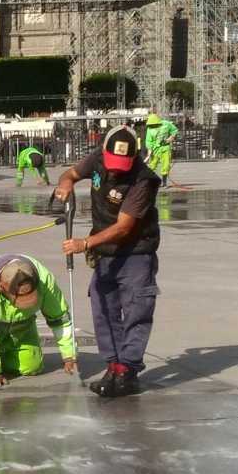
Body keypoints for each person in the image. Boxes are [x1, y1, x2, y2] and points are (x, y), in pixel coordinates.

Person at [55, 125, 161, 397]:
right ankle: (113, 365)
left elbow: (124, 227)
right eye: (112, 164)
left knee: (136, 311)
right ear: (104, 152)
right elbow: (71, 174)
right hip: (106, 253)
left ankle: (127, 371)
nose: (115, 171)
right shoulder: (97, 158)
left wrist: (85, 244)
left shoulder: (143, 180)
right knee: (103, 309)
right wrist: (65, 184)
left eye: (122, 166)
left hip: (136, 251)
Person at [0, 255, 76, 386]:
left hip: (21, 322)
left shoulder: (45, 280)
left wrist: (70, 356)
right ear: (1, 287)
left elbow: (60, 319)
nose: (23, 302)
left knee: (31, 366)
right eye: (19, 299)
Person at [144, 113, 179, 187]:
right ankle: (148, 181)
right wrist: (149, 150)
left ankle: (164, 182)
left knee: (166, 165)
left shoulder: (166, 124)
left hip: (165, 148)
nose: (152, 126)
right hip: (155, 149)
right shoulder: (149, 129)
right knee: (152, 165)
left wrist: (171, 138)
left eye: (154, 124)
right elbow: (148, 141)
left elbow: (175, 130)